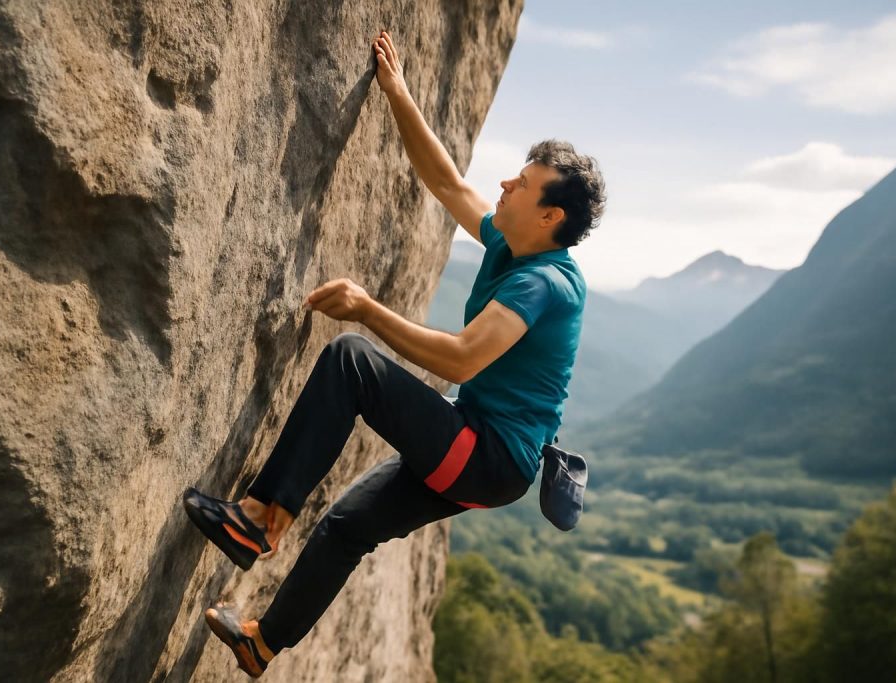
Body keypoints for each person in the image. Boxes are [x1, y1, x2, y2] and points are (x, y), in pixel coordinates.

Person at [184, 29, 606, 678]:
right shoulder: (512, 244)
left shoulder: (543, 282)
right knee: (348, 525)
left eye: (522, 184)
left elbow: (461, 359)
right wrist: (398, 92)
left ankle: (258, 518)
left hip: (487, 454)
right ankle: (259, 645)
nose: (505, 184)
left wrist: (367, 307)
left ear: (551, 216)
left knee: (352, 359)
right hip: (484, 454)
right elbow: (445, 181)